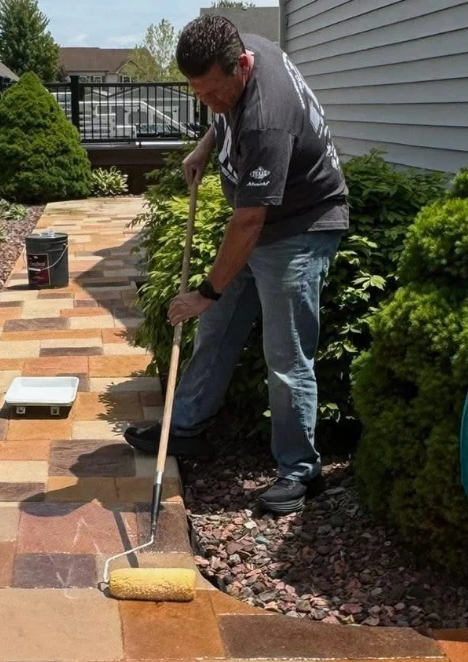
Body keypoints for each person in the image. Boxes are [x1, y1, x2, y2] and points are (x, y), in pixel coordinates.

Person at [124, 15, 349, 516]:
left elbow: (248, 222)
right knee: (218, 329)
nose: (209, 102)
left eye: (213, 93)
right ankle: (186, 429)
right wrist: (207, 142)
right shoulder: (238, 50)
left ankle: (300, 472)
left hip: (298, 227)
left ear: (242, 67)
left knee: (286, 357)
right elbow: (227, 110)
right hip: (263, 223)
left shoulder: (268, 118)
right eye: (198, 94)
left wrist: (204, 291)